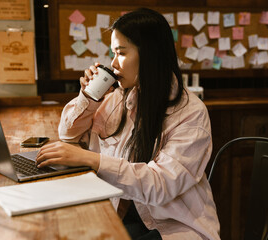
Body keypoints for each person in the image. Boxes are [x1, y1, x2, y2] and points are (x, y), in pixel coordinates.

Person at [36, 8, 220, 240]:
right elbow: (68, 134)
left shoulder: (191, 113)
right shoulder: (117, 98)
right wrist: (88, 97)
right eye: (112, 53)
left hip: (172, 227)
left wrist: (91, 159)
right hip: (121, 215)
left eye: (121, 53)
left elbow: (159, 185)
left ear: (150, 55)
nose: (113, 64)